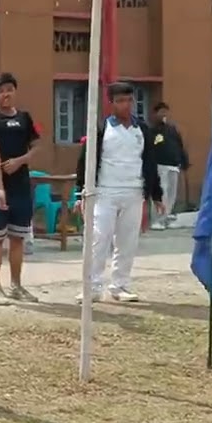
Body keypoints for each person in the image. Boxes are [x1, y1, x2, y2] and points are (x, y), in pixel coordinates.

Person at [75, 82, 165, 303]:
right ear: (111, 103)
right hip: (105, 192)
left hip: (134, 192)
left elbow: (150, 162)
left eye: (128, 100)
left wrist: (156, 195)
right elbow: (85, 161)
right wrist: (80, 193)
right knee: (99, 238)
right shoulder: (101, 129)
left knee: (127, 241)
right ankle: (92, 286)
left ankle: (120, 285)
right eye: (120, 101)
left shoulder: (142, 130)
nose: (125, 105)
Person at [0, 73, 41, 305]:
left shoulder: (25, 118)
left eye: (9, 89)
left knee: (18, 238)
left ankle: (16, 285)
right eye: (1, 91)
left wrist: (21, 160)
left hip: (22, 187)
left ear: (15, 91)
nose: (5, 94)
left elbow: (36, 147)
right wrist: (0, 189)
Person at [149, 101, 189, 230]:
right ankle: (157, 219)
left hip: (173, 165)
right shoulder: (152, 130)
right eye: (161, 112)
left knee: (172, 194)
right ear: (155, 114)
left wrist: (184, 161)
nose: (164, 115)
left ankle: (166, 217)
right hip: (160, 166)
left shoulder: (172, 130)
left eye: (165, 112)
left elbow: (179, 145)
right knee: (162, 193)